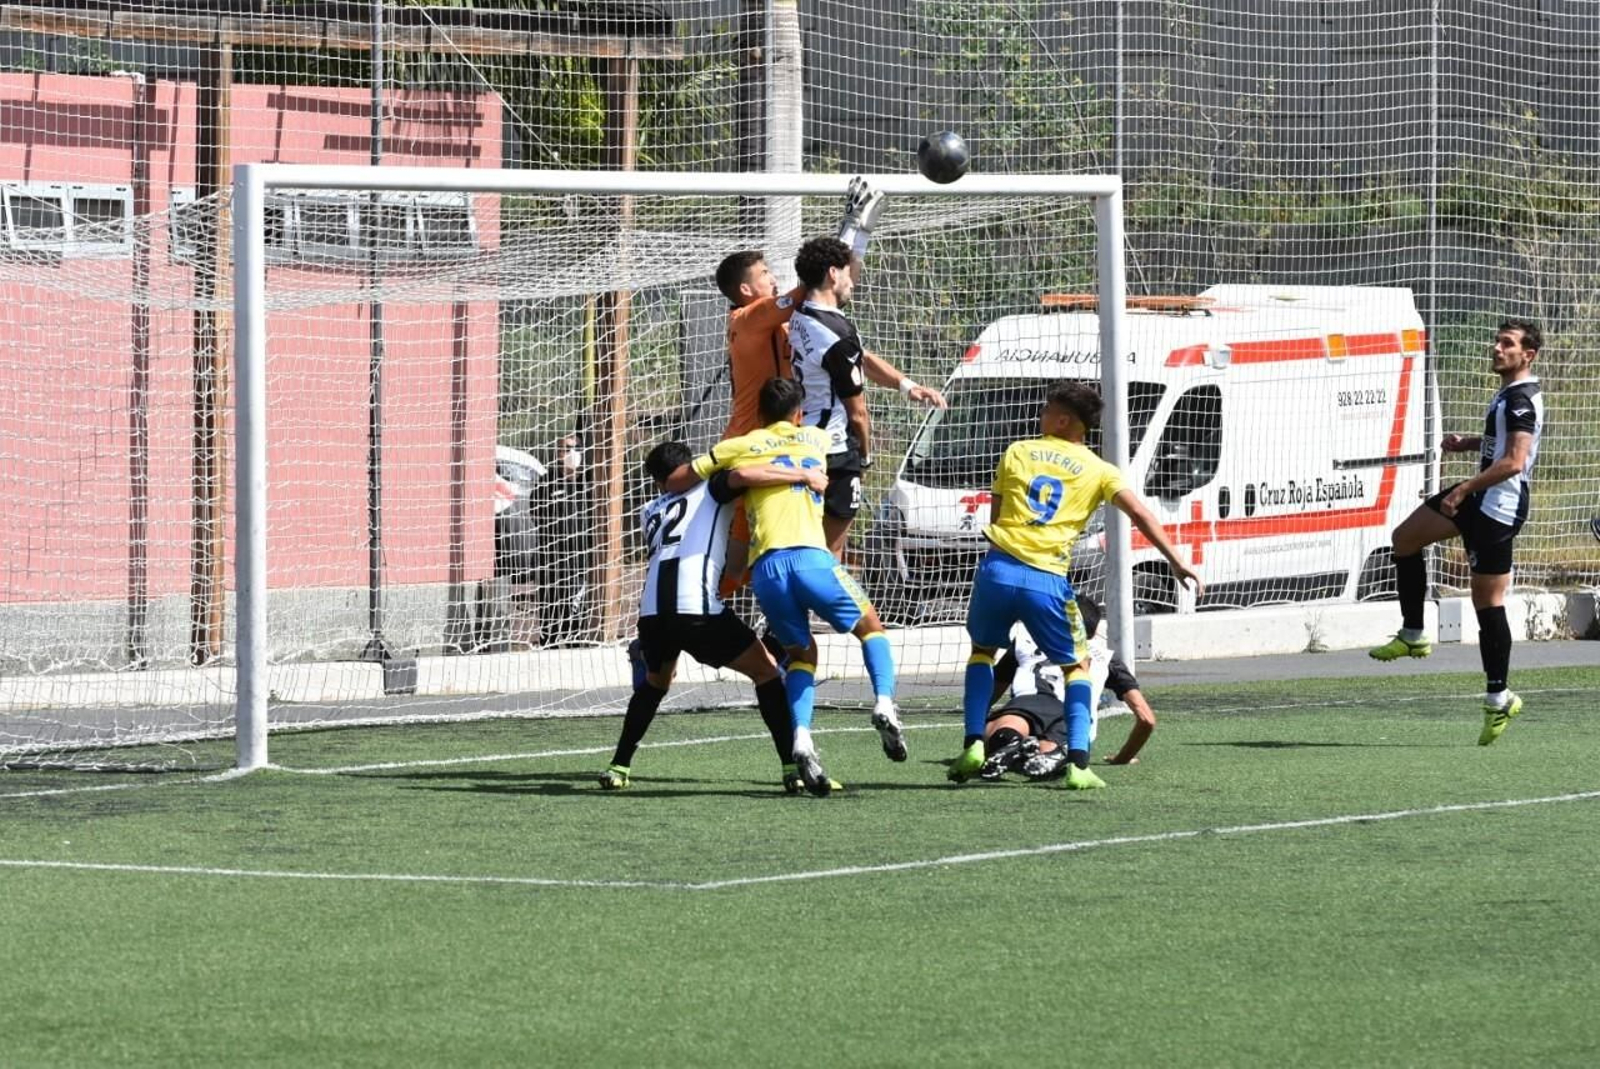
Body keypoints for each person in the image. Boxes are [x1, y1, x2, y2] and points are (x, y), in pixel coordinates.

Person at [949, 380, 1202, 788]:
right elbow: (1138, 514)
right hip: (1046, 577)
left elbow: (995, 520)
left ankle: (974, 743)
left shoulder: (1017, 451)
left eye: (1048, 409)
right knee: (1078, 666)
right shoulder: (1101, 470)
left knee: (982, 653)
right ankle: (1079, 765)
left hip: (997, 568)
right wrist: (1176, 560)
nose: (1042, 414)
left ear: (1064, 419)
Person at [665, 377, 906, 797]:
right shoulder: (813, 438)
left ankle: (801, 738)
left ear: (759, 414)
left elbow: (685, 478)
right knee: (871, 627)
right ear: (798, 414)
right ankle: (885, 702)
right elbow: (851, 436)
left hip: (767, 572)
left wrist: (678, 478)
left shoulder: (740, 444)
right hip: (812, 557)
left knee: (801, 653)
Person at [599, 440, 833, 793]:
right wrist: (802, 474)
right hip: (696, 610)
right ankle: (790, 766)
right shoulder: (709, 487)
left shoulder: (648, 509)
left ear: (658, 481)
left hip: (651, 614)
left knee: (655, 684)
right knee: (767, 671)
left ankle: (619, 766)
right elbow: (742, 475)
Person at [1369, 318, 1545, 746]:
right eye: (1498, 340)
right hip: (1478, 498)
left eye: (1507, 343)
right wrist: (1468, 444)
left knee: (1488, 601)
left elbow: (1515, 462)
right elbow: (1500, 448)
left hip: (1496, 508)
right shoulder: (1509, 395)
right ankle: (1413, 634)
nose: (1497, 348)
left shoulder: (1521, 399)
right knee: (1404, 539)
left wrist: (1464, 486)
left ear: (1528, 355)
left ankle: (1499, 697)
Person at [786, 234, 947, 560]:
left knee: (807, 545)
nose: (853, 281)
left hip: (805, 441)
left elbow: (859, 356)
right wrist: (865, 456)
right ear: (833, 273)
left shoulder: (803, 313)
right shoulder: (837, 334)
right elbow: (857, 412)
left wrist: (906, 385)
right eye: (849, 272)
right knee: (829, 553)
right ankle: (820, 611)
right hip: (836, 449)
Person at [979, 599, 1158, 781]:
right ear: (1094, 632)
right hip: (1075, 720)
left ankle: (1011, 740)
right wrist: (1122, 758)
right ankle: (1050, 752)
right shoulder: (1106, 659)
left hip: (1033, 699)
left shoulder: (1025, 643)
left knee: (1002, 726)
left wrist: (977, 737)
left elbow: (985, 698)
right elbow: (1147, 719)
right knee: (1063, 741)